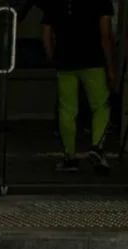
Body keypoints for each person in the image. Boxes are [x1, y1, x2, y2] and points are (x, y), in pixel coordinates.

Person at [41, 0, 115, 172]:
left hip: (65, 61)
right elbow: (105, 35)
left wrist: (52, 56)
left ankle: (69, 156)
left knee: (67, 109)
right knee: (101, 105)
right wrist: (111, 66)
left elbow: (46, 33)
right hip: (93, 61)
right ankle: (97, 147)